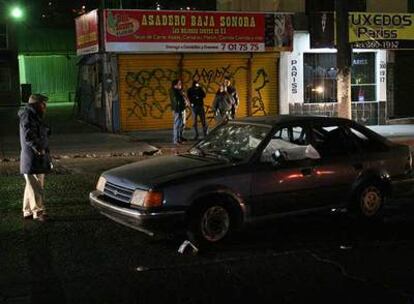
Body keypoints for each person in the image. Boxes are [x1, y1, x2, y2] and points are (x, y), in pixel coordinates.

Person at [18, 94, 52, 222]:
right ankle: (38, 212)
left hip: (36, 156)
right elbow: (28, 135)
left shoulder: (34, 115)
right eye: (43, 104)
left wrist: (46, 131)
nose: (45, 106)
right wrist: (38, 148)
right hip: (32, 157)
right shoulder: (28, 115)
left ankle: (27, 211)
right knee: (36, 185)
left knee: (32, 184)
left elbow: (37, 130)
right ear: (36, 105)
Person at [169, 79, 187, 145]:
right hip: (177, 110)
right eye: (179, 83)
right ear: (175, 85)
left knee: (181, 124)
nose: (180, 85)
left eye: (180, 83)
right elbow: (176, 101)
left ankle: (179, 139)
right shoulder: (173, 91)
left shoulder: (178, 91)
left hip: (180, 109)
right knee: (176, 125)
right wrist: (181, 94)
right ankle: (175, 140)